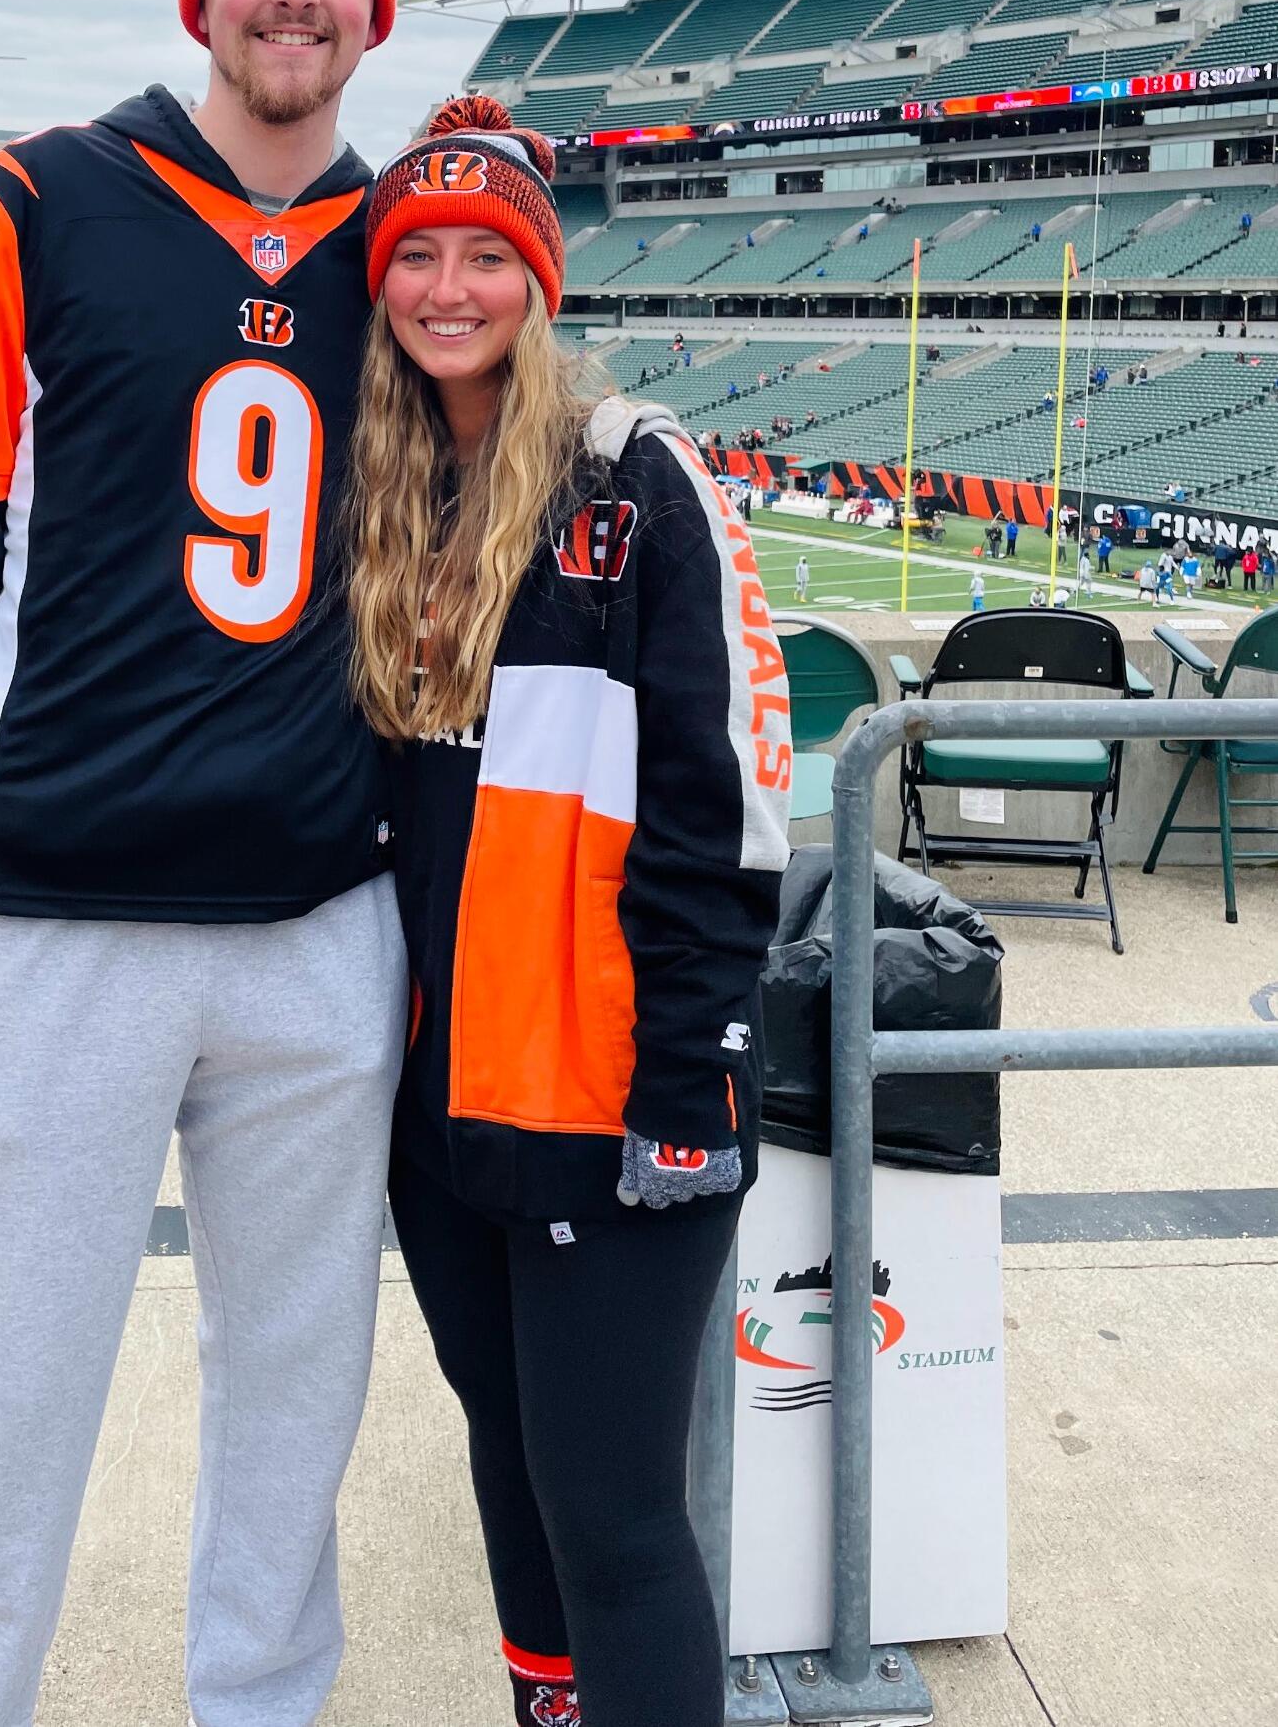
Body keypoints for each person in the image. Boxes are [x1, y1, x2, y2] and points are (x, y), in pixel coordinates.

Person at [0, 0, 407, 1727]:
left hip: (325, 918)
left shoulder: (415, 243)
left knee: (298, 1401)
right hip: (67, 907)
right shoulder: (44, 196)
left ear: (376, 8)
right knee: (7, 1396)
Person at [347, 94, 787, 1727]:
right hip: (438, 1101)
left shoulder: (639, 482)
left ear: (540, 283)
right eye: (418, 256)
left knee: (615, 1517)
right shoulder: (387, 491)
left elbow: (728, 803)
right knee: (513, 1465)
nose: (448, 287)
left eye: (487, 256)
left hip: (608, 1095)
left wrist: (692, 1075)